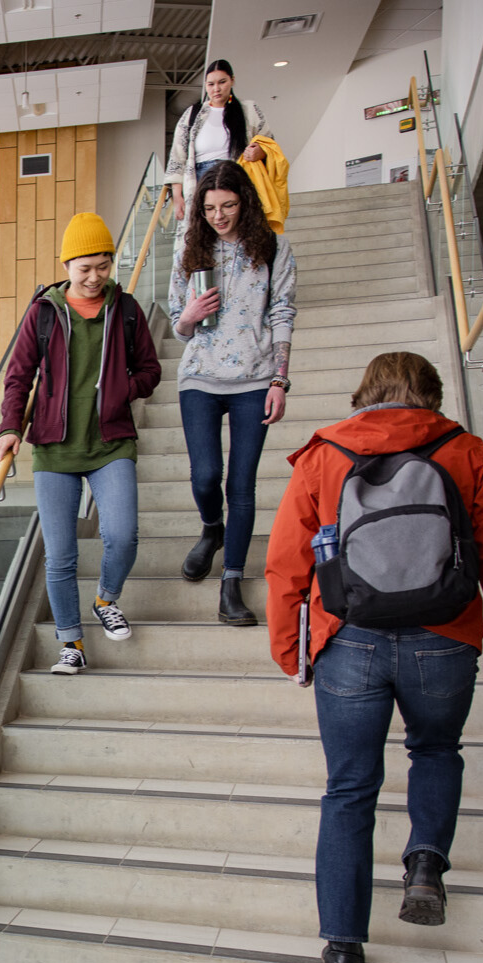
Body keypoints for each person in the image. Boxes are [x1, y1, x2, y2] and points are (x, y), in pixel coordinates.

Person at [265, 352, 483, 963]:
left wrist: (290, 650)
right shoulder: (470, 454)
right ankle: (423, 866)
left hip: (349, 640)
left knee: (349, 789)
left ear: (365, 394)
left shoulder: (324, 455)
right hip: (443, 640)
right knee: (438, 749)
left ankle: (342, 945)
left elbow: (285, 563)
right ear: (434, 396)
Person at [0, 212, 161, 675]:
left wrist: (123, 389)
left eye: (103, 266)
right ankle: (71, 643)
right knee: (61, 553)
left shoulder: (126, 311)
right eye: (84, 267)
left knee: (123, 535)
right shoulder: (44, 313)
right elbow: (18, 376)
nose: (94, 277)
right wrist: (10, 427)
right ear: (67, 265)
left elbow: (151, 370)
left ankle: (106, 598)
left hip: (111, 443)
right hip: (55, 447)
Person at [168, 162, 297, 625]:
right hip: (200, 376)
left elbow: (282, 311)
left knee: (241, 485)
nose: (218, 216)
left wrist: (279, 379)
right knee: (205, 476)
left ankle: (231, 584)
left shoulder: (272, 248)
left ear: (245, 202)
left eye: (227, 206)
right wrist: (189, 314)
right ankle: (211, 530)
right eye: (209, 208)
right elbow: (177, 325)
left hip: (255, 378)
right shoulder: (189, 246)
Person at [166, 59, 273, 224]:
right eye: (211, 84)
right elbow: (177, 156)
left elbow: (269, 143)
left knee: (239, 230)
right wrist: (177, 196)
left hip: (237, 180)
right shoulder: (192, 114)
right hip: (199, 181)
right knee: (201, 235)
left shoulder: (249, 109)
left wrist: (260, 151)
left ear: (232, 80)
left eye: (222, 82)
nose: (216, 89)